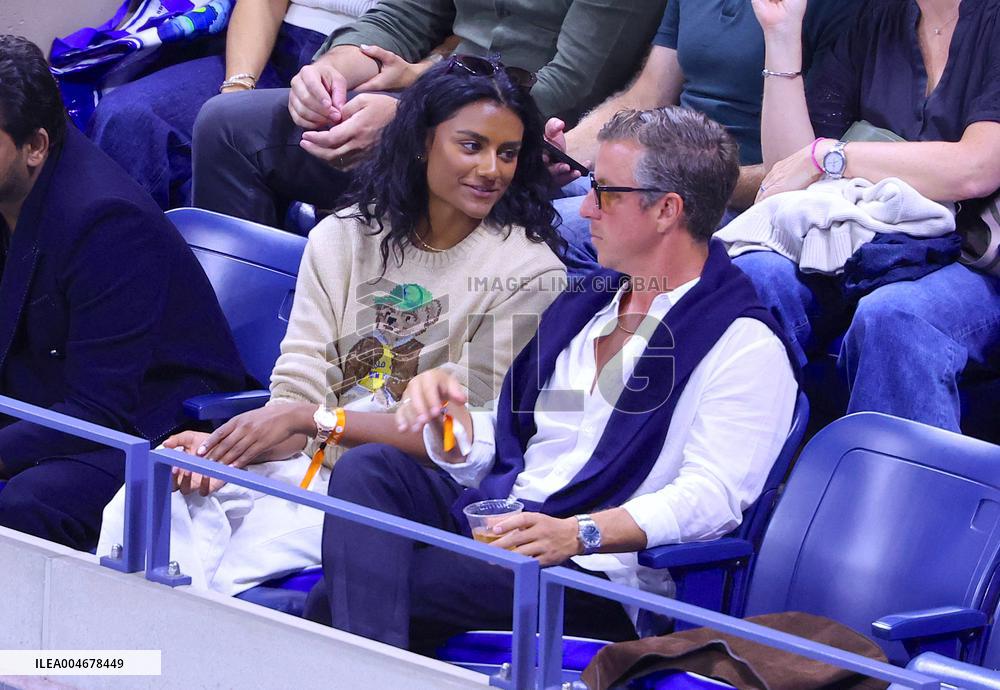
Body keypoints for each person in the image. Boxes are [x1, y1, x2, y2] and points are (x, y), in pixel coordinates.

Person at [302, 107, 799, 652]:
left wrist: (579, 532)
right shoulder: (591, 304)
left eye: (604, 192)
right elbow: (526, 438)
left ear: (666, 210)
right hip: (511, 523)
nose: (585, 208)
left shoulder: (743, 344)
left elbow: (713, 496)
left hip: (594, 574)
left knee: (337, 600)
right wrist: (455, 425)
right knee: (371, 470)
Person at [98, 58, 567, 593]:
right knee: (152, 491)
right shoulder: (343, 237)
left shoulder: (531, 273)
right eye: (471, 145)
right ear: (420, 142)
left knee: (225, 574)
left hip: (401, 492)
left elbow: (462, 440)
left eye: (507, 153)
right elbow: (297, 384)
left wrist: (307, 422)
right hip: (305, 463)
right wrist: (225, 448)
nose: (492, 170)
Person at [0, 36, 247, 552]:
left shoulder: (105, 222)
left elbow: (99, 411)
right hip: (45, 395)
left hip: (148, 421)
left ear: (35, 146)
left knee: (25, 503)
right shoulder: (11, 185)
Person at [734, 0, 1000, 432]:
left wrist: (838, 156)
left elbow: (976, 169)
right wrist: (781, 35)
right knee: (754, 278)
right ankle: (734, 491)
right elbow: (789, 173)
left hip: (975, 256)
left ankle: (899, 499)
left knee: (896, 318)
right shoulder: (876, 17)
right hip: (872, 239)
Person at [190, 0, 667, 228]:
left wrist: (413, 121)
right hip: (442, 96)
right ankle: (230, 365)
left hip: (531, 140)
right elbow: (401, 17)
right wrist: (329, 72)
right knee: (228, 124)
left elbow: (570, 83)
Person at [544, 0, 862, 275]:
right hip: (655, 172)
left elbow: (807, 165)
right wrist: (554, 152)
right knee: (519, 194)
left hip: (738, 194)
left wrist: (687, 178)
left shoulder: (838, 9)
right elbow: (646, 95)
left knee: (552, 228)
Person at [87, 0, 381, 211]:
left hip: (370, 68)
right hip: (275, 43)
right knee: (127, 118)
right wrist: (238, 88)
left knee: (232, 156)